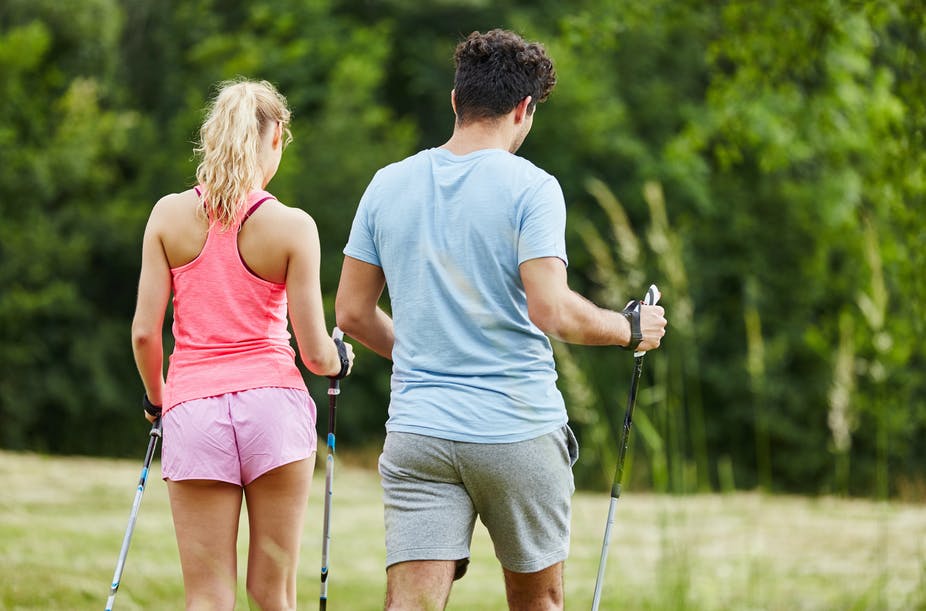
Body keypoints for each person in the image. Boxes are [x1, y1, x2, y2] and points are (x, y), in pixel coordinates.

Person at [335, 29, 667, 611]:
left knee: (408, 604)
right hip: (517, 428)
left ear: (456, 101)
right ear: (524, 110)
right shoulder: (533, 188)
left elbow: (352, 313)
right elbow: (552, 310)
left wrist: (423, 352)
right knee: (538, 603)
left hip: (420, 433)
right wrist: (629, 328)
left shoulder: (386, 185)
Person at [131, 78, 354, 610]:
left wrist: (157, 398)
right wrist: (341, 359)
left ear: (212, 137)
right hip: (273, 411)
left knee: (207, 595)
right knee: (272, 591)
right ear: (275, 138)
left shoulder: (167, 216)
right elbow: (315, 353)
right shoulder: (293, 227)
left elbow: (145, 332)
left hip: (195, 409)